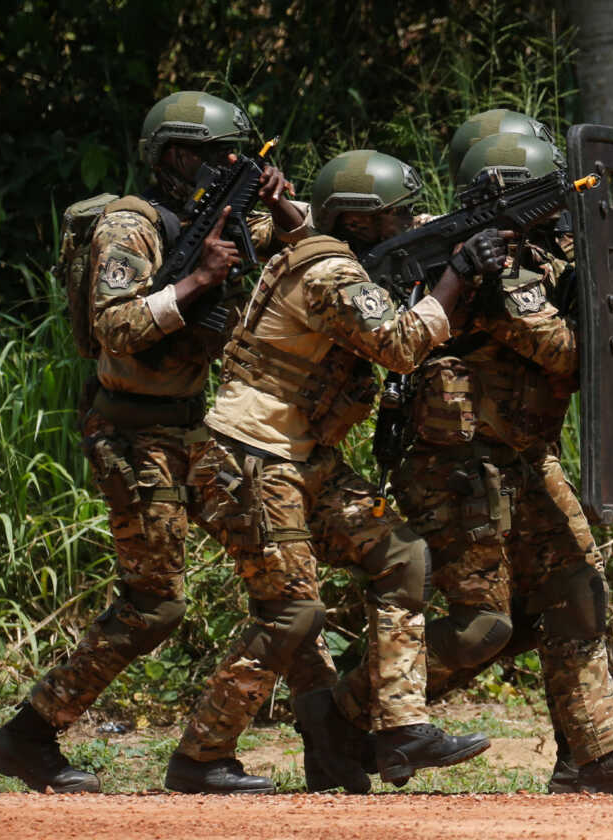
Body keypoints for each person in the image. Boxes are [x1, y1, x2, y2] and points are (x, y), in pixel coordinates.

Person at [333, 128, 613, 795]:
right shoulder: (490, 266)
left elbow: (601, 307)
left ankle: (592, 755)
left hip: (524, 456)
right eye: (547, 192)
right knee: (483, 627)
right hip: (457, 465)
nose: (560, 204)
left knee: (579, 589)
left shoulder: (543, 249)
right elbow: (576, 349)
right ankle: (343, 709)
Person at [0, 90, 309, 795]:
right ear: (176, 156)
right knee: (154, 605)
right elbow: (115, 328)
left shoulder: (207, 212)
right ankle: (28, 735)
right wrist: (198, 281)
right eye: (223, 154)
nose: (235, 164)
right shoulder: (129, 227)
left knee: (286, 584)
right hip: (131, 432)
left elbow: (301, 241)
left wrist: (280, 204)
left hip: (192, 427)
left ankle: (245, 747)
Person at [165, 149, 501, 793]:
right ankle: (200, 756)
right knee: (293, 613)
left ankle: (400, 726)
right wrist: (456, 274)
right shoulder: (327, 272)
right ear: (361, 222)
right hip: (252, 458)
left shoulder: (333, 251)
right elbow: (400, 347)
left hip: (305, 459)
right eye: (396, 215)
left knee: (402, 556)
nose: (408, 222)